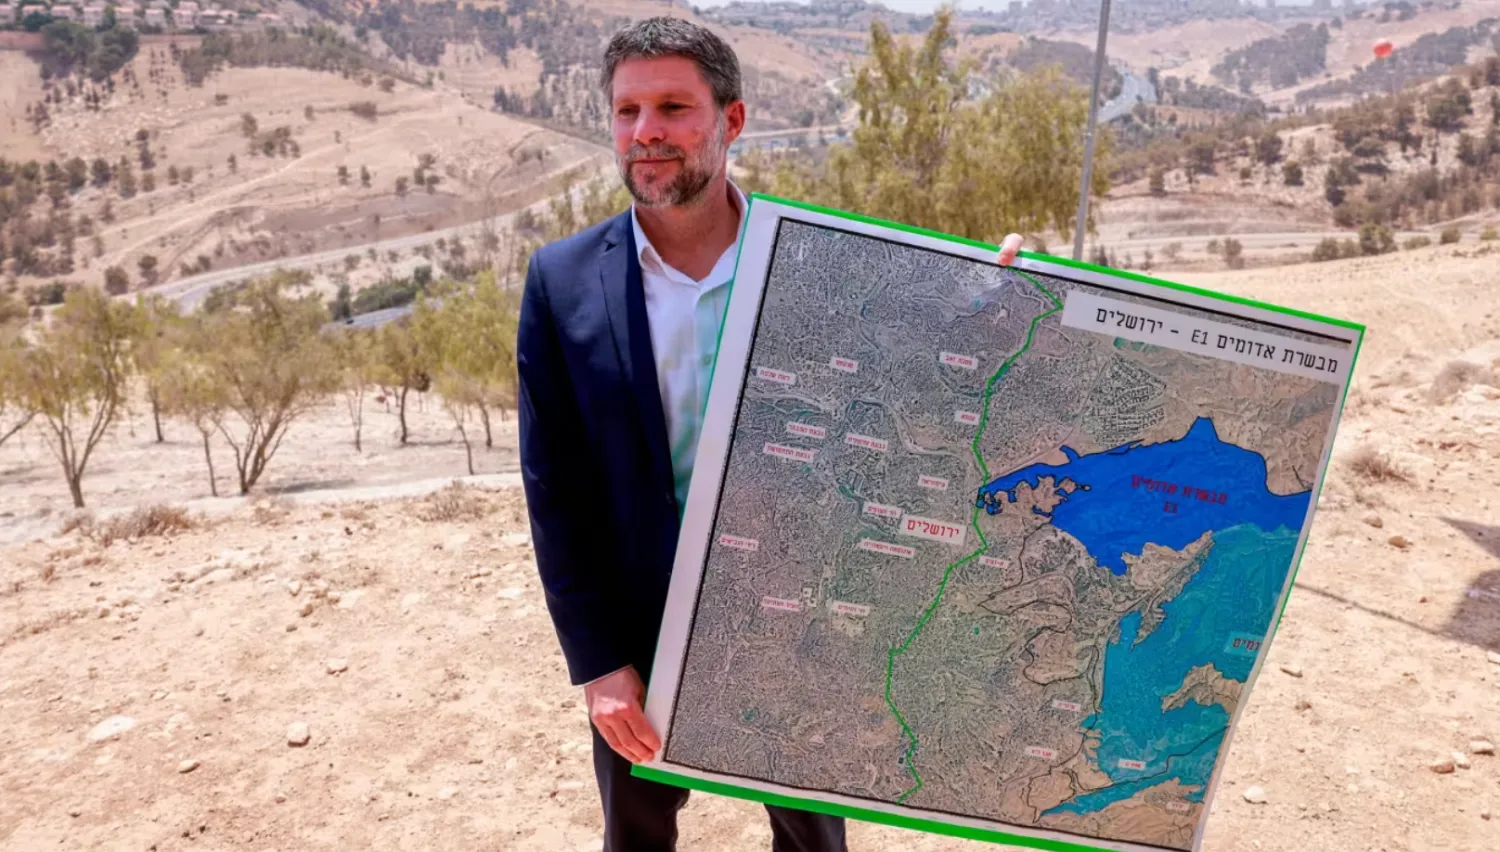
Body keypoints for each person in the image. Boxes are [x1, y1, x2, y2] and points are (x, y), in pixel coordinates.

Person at [516, 16, 1023, 852]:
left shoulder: (818, 260)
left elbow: (923, 347)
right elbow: (555, 491)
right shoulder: (560, 281)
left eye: (673, 107)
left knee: (813, 842)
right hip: (638, 624)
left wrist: (1010, 298)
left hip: (796, 612)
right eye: (627, 111)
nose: (646, 133)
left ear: (732, 121)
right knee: (636, 836)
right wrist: (598, 664)